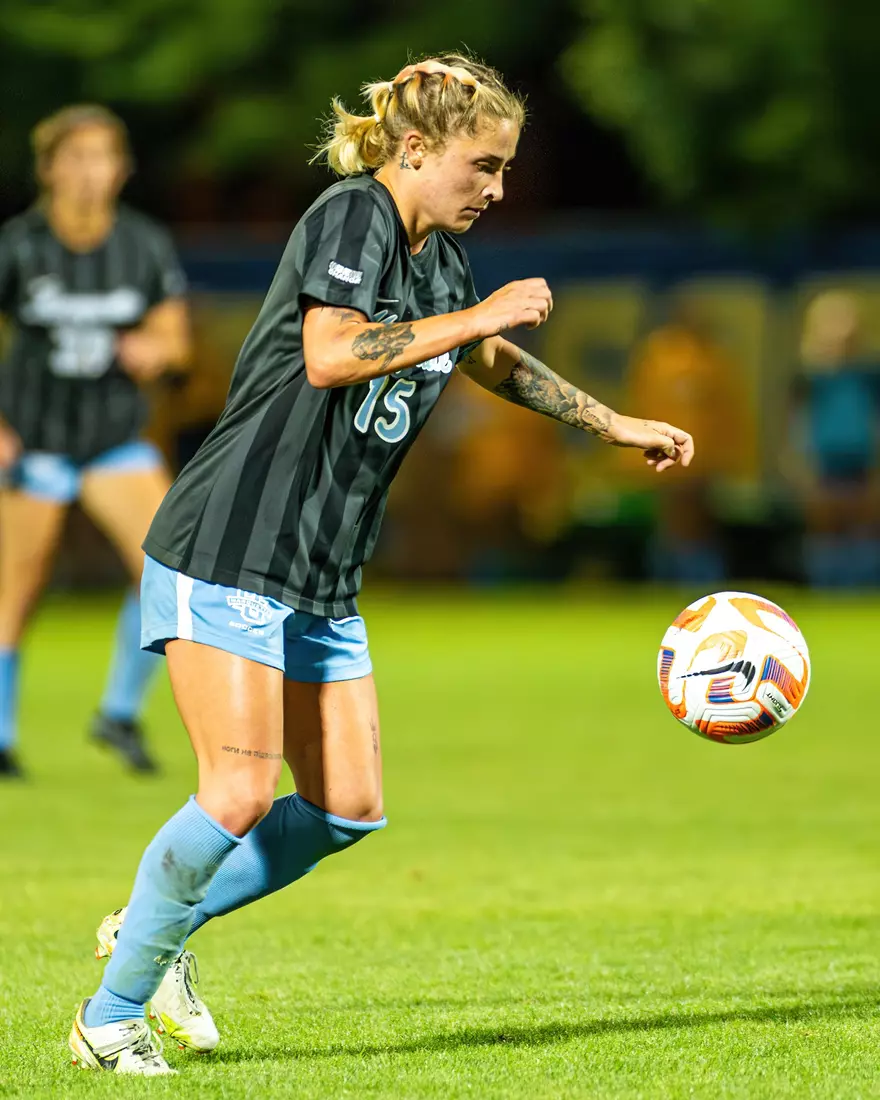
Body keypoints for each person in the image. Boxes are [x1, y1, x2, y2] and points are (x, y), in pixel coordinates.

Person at [68, 55, 694, 1076]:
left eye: (503, 169)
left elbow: (482, 357)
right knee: (234, 789)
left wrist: (609, 420)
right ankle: (109, 1013)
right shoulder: (352, 216)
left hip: (320, 565)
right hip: (230, 542)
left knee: (347, 806)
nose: (495, 188)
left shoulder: (439, 253)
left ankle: (152, 924)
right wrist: (479, 314)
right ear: (415, 150)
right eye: (482, 165)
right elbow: (331, 351)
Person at [0, 105, 191, 778]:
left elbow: (176, 339)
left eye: (102, 157)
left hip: (114, 439)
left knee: (170, 570)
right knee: (14, 592)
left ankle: (118, 712)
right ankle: (0, 736)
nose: (88, 173)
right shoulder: (19, 246)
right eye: (74, 158)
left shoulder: (142, 245)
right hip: (36, 441)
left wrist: (155, 350)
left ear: (122, 169)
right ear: (49, 168)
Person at [789, 290, 880, 587]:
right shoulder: (810, 376)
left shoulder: (868, 374)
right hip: (824, 459)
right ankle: (825, 585)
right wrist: (800, 460)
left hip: (861, 457)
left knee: (864, 525)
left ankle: (864, 587)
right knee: (826, 527)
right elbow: (798, 421)